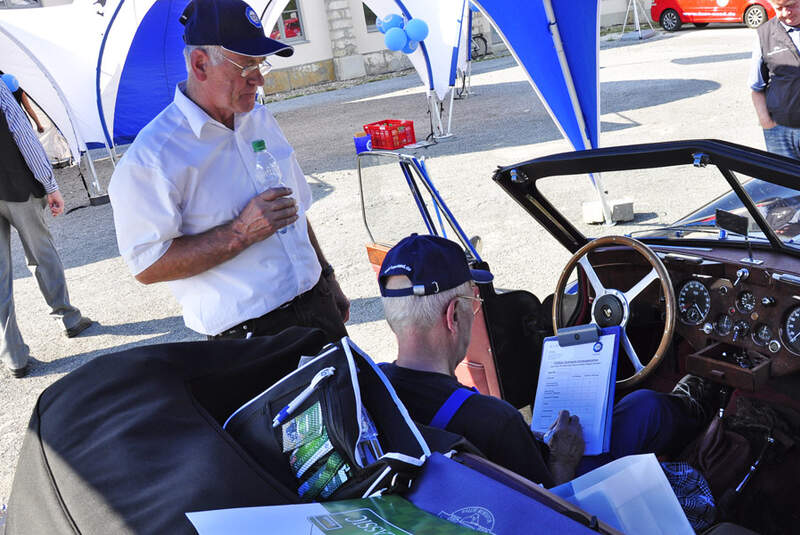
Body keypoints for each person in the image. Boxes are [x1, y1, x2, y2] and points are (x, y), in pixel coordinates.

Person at [378, 233, 712, 487]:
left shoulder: (373, 386)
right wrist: (563, 459)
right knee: (646, 408)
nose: (473, 310)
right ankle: (703, 414)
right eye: (471, 301)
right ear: (453, 315)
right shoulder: (496, 421)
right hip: (554, 491)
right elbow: (554, 507)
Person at [108, 0, 349, 342]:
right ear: (200, 64)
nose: (259, 80)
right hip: (249, 337)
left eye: (260, 64)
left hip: (317, 303)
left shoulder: (260, 119)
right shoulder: (152, 158)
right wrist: (239, 233)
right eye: (245, 65)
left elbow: (291, 209)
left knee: (353, 395)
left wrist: (327, 277)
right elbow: (147, 265)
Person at [0, 82, 94, 379]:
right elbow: (23, 136)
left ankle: (14, 355)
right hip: (16, 186)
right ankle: (67, 318)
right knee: (42, 253)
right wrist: (50, 184)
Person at [749, 0, 800, 159]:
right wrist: (766, 123)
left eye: (791, 5)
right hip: (780, 133)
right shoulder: (764, 34)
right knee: (783, 182)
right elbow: (756, 86)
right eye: (779, 8)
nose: (786, 13)